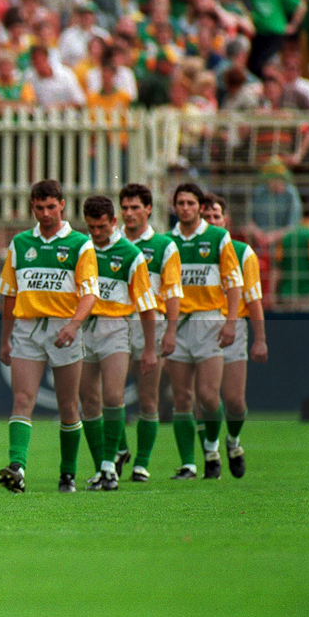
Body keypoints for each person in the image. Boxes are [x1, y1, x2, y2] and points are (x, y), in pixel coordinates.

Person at [0, 179, 98, 494]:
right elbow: (10, 296)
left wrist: (73, 325)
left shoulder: (80, 244)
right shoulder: (20, 244)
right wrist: (5, 338)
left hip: (63, 329)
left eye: (50, 207)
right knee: (22, 399)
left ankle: (67, 474)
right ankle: (17, 467)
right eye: (39, 208)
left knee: (68, 404)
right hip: (28, 329)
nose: (45, 213)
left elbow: (90, 294)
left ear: (62, 205)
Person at [77, 195, 158, 492]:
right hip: (84, 329)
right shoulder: (79, 248)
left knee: (112, 396)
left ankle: (110, 467)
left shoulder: (131, 254)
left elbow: (147, 305)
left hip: (115, 328)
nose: (97, 233)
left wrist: (150, 348)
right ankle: (102, 465)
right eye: (91, 227)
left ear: (113, 222)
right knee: (88, 401)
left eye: (101, 227)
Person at [164, 182, 242, 480]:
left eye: (190, 203)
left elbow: (233, 283)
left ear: (199, 207)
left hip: (209, 320)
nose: (185, 208)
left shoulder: (218, 237)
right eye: (180, 203)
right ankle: (189, 465)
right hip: (177, 322)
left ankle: (210, 447)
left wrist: (231, 321)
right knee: (182, 397)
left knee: (208, 396)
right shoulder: (167, 241)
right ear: (174, 206)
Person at [200, 194, 268, 478]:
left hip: (232, 327)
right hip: (200, 326)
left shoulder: (242, 253)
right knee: (206, 397)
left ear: (225, 220)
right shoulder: (190, 250)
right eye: (207, 217)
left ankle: (233, 441)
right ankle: (211, 448)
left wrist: (260, 338)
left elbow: (253, 298)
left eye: (216, 216)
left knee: (235, 401)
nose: (212, 222)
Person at [117, 183, 181, 482]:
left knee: (148, 397)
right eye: (125, 208)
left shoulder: (164, 246)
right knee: (105, 395)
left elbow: (171, 292)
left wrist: (170, 330)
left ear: (148, 209)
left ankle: (141, 463)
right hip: (114, 322)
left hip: (149, 324)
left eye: (135, 208)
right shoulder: (110, 241)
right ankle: (120, 448)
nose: (129, 213)